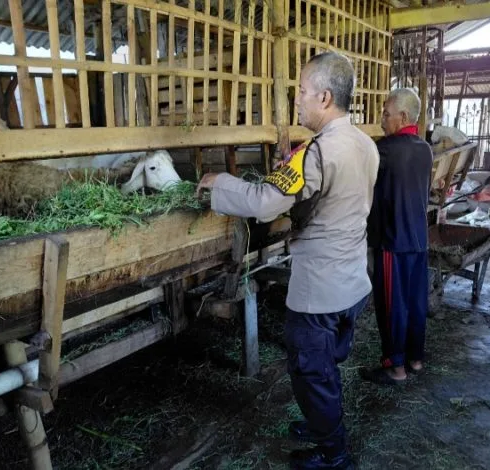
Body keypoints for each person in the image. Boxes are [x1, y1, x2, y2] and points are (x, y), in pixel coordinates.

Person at [198, 52, 379, 469]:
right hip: (353, 281)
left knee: (312, 374)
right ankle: (322, 425)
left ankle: (334, 455)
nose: (296, 100)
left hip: (320, 291)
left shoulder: (317, 152)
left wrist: (219, 182)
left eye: (301, 91)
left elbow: (264, 203)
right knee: (327, 367)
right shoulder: (365, 144)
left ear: (325, 97)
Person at [362, 88, 433, 385]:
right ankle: (415, 359)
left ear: (402, 117)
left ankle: (396, 367)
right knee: (416, 303)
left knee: (392, 306)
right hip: (419, 240)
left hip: (394, 241)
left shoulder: (385, 150)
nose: (381, 120)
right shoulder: (425, 149)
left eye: (386, 114)